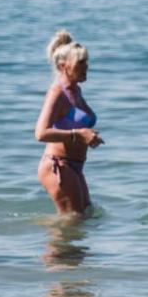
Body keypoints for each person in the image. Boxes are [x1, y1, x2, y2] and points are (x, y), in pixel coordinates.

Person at [34, 30, 103, 214]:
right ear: (65, 66)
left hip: (75, 166)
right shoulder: (57, 93)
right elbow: (40, 133)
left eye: (86, 61)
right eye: (81, 62)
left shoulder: (76, 91)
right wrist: (78, 135)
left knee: (86, 216)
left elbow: (75, 123)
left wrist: (90, 136)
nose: (86, 66)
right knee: (71, 223)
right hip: (58, 165)